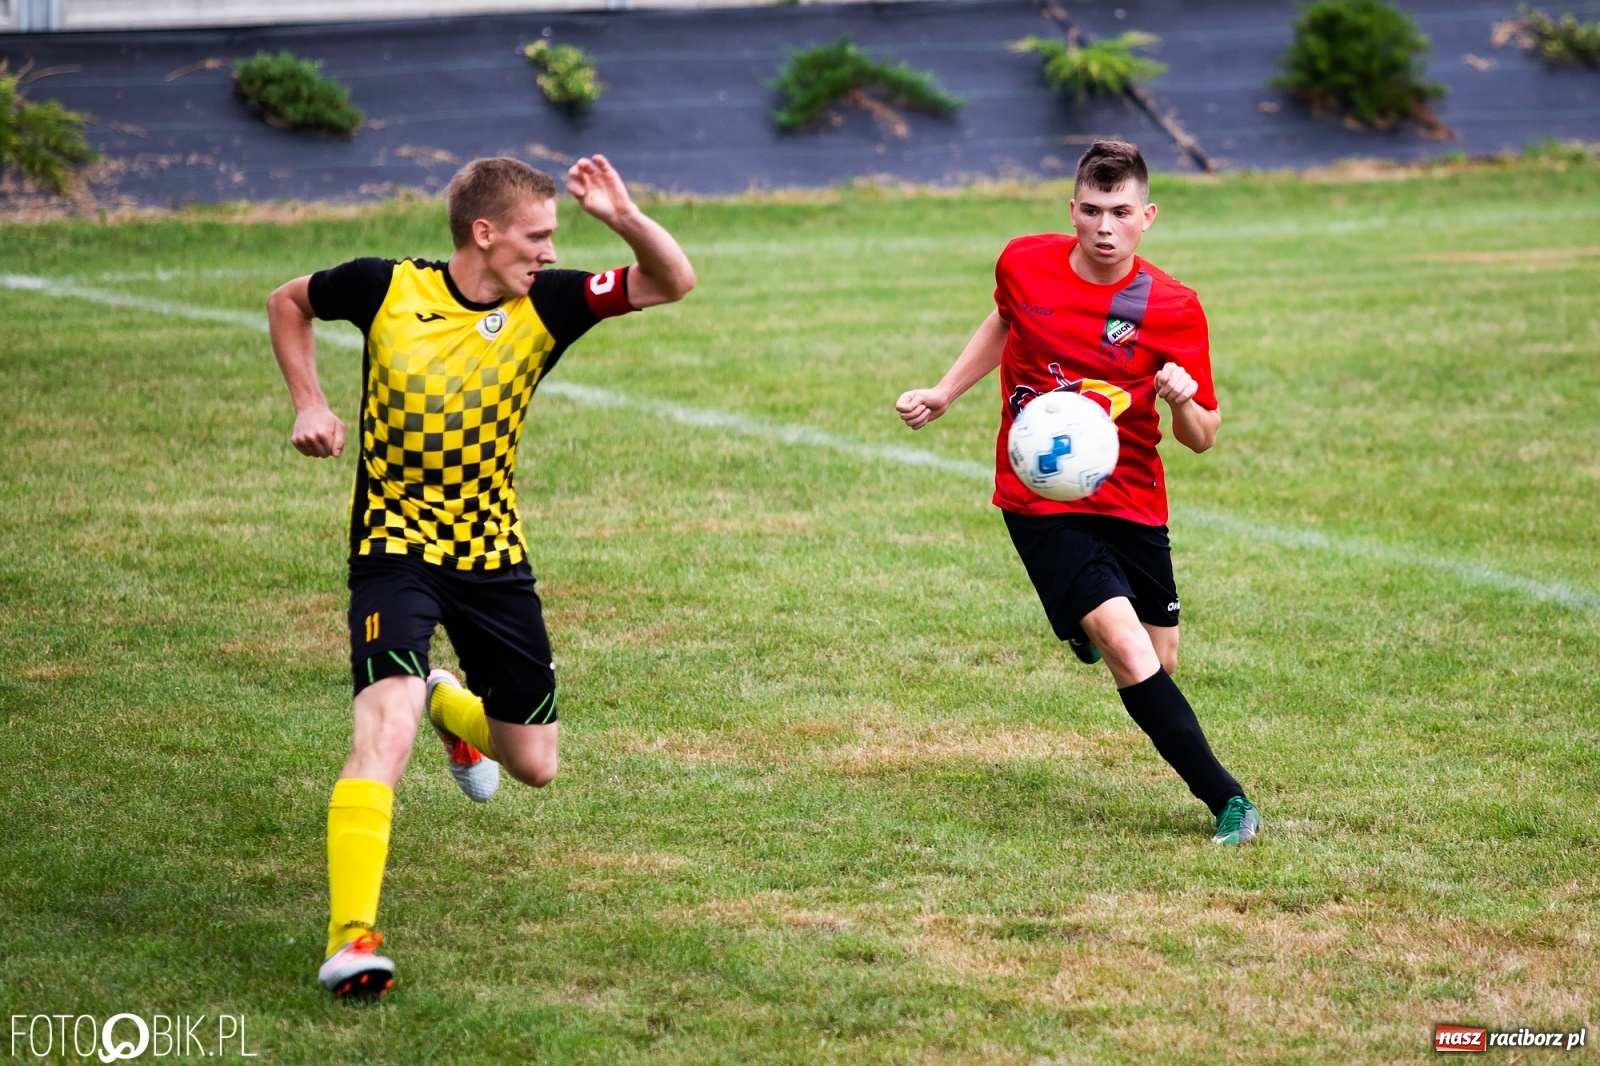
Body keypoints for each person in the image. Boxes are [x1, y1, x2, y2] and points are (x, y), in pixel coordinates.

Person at [266, 154, 695, 997]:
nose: (548, 251)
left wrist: (624, 217)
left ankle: (448, 703)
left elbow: (672, 281)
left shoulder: (554, 303)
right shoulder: (382, 287)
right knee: (380, 733)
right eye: (537, 236)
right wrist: (309, 402)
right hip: (394, 548)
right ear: (484, 233)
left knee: (533, 763)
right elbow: (288, 301)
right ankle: (353, 937)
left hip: (492, 558)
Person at [894, 139, 1260, 846]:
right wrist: (945, 391)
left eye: (1120, 212)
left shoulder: (1173, 306)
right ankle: (1229, 801)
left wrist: (1181, 399)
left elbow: (1203, 437)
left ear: (1147, 215)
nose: (1103, 226)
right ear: (1072, 210)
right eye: (1091, 210)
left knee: (1161, 658)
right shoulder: (1023, 261)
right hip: (1041, 496)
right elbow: (1008, 316)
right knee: (1128, 650)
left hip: (1131, 495)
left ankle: (1079, 626)